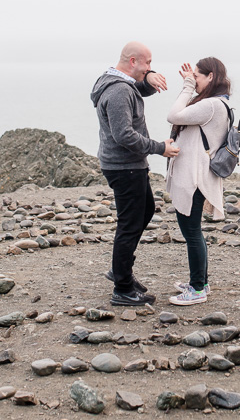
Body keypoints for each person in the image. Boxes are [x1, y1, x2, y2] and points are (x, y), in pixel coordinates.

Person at [90, 41, 179, 306]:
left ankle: (121, 270)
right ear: (132, 62)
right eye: (147, 63)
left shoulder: (113, 80)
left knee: (146, 210)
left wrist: (149, 78)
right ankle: (123, 287)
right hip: (124, 166)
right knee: (129, 225)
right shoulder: (118, 91)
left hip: (124, 164)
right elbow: (123, 134)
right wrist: (158, 148)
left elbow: (138, 87)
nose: (150, 68)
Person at [165, 57, 231, 306]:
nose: (194, 81)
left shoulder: (212, 105)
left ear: (211, 76)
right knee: (194, 231)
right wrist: (192, 83)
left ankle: (197, 289)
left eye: (198, 76)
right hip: (196, 174)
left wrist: (186, 86)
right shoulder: (216, 103)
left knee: (191, 231)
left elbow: (173, 115)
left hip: (194, 177)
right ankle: (201, 281)